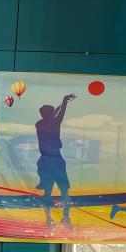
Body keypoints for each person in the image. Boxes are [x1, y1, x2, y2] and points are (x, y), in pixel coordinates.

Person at [35, 94, 76, 230]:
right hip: (56, 160)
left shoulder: (39, 123)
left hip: (47, 161)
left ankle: (49, 219)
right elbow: (60, 113)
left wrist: (61, 105)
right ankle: (65, 218)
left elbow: (56, 113)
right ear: (50, 114)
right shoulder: (54, 122)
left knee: (48, 192)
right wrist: (64, 101)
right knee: (64, 191)